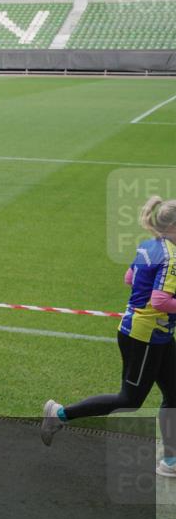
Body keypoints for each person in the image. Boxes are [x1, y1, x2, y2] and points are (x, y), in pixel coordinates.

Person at [42, 196, 176, 479]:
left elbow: (130, 277)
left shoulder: (148, 245)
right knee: (130, 399)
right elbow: (161, 300)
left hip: (152, 333)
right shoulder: (172, 256)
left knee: (175, 392)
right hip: (147, 336)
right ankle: (60, 414)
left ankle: (171, 460)